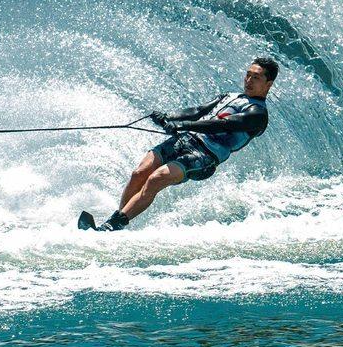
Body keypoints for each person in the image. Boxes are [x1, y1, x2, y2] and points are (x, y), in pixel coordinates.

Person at [82, 58, 278, 232]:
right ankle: (116, 222)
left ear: (268, 84)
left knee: (156, 179)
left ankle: (110, 227)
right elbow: (197, 111)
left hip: (204, 156)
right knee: (139, 173)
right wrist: (168, 117)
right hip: (184, 140)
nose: (248, 81)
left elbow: (221, 124)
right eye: (248, 75)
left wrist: (182, 125)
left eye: (256, 78)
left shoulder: (258, 115)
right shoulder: (229, 96)